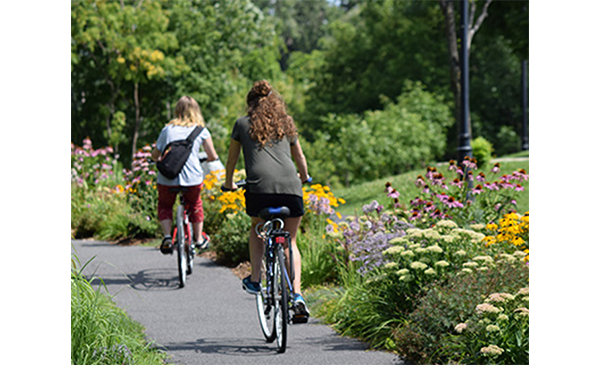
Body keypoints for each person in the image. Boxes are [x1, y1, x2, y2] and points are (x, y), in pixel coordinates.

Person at [222, 80, 311, 318]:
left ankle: (255, 279)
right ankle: (298, 295)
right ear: (275, 102)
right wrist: (304, 177)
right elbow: (300, 157)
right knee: (290, 241)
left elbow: (231, 160)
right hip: (291, 189)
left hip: (258, 189)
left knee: (256, 227)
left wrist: (229, 183)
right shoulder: (287, 123)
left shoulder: (242, 124)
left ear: (250, 104)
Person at [151, 96, 219, 254]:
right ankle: (199, 239)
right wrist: (206, 159)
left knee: (165, 205)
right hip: (192, 179)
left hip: (168, 177)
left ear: (177, 111)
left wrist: (155, 159)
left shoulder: (167, 129)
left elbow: (156, 154)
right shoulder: (201, 130)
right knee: (195, 205)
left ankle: (167, 237)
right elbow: (213, 155)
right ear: (196, 111)